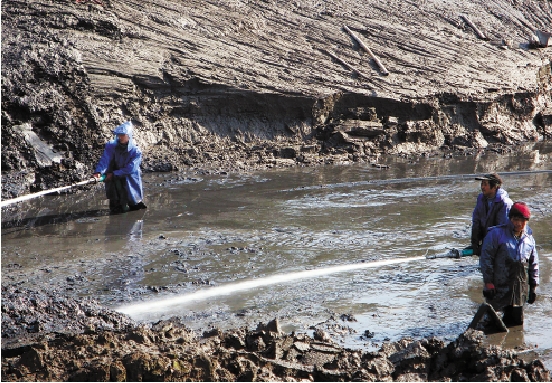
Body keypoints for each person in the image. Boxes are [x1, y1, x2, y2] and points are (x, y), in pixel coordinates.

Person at [479, 202, 539, 327]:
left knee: (516, 326)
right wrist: (488, 283)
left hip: (518, 289)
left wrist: (533, 286)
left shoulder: (529, 239)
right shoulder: (496, 234)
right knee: (491, 323)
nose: (518, 224)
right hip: (498, 287)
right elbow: (486, 260)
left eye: (522, 221)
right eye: (516, 220)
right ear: (510, 219)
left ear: (526, 221)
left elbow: (534, 264)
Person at [93, 121, 147, 214]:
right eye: (119, 135)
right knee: (115, 203)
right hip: (114, 178)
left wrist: (114, 174)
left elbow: (130, 169)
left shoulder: (135, 151)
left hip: (129, 178)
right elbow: (105, 160)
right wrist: (99, 172)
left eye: (123, 135)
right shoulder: (111, 146)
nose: (120, 137)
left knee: (133, 202)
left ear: (129, 136)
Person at [471, 173, 513, 256]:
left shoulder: (504, 203)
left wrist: (486, 246)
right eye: (482, 184)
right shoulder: (481, 199)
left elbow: (501, 229)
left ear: (494, 187)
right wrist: (474, 243)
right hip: (487, 241)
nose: (482, 187)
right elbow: (476, 221)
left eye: (485, 184)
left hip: (502, 244)